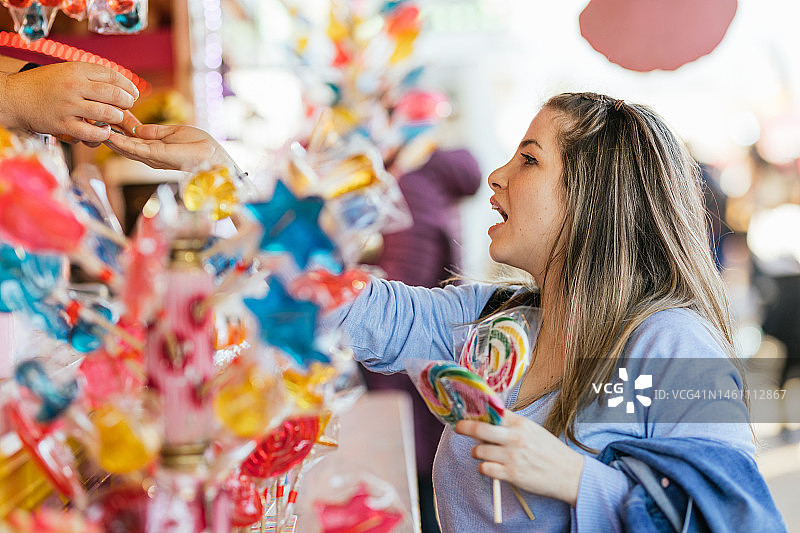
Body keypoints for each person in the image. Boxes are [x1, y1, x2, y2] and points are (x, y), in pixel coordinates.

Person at [104, 92, 786, 531]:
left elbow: (736, 520)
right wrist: (225, 177)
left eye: (529, 158)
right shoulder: (494, 324)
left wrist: (576, 478)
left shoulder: (669, 344)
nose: (496, 176)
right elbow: (336, 298)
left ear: (593, 198)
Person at [365, 148, 482, 533]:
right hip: (427, 359)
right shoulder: (437, 196)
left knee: (418, 476)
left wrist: (384, 393)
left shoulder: (413, 189)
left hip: (410, 368)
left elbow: (404, 284)